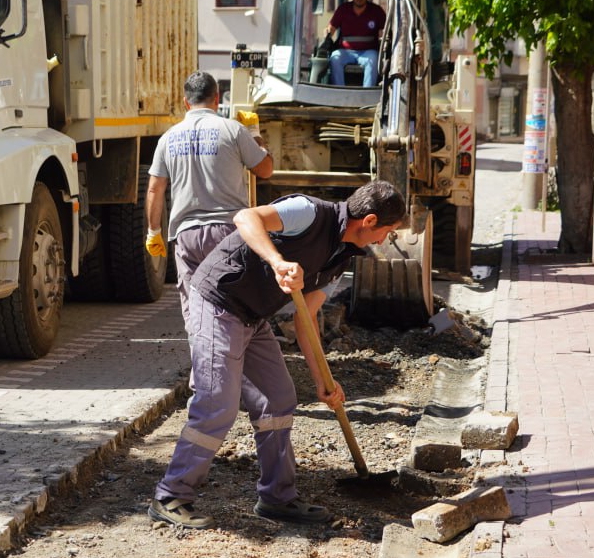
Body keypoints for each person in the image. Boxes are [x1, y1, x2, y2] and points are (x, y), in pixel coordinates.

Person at [149, 181, 407, 529]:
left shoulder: (342, 256)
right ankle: (171, 496)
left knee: (279, 399)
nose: (383, 242)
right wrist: (277, 261)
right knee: (216, 404)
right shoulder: (309, 212)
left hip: (253, 317)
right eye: (387, 233)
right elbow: (246, 217)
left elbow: (307, 319)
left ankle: (277, 498)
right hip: (218, 302)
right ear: (370, 220)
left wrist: (323, 382)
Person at [145, 71, 274, 322]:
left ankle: (201, 359)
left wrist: (153, 232)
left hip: (186, 236)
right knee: (230, 303)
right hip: (228, 232)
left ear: (186, 102)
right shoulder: (233, 130)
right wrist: (255, 133)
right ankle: (228, 357)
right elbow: (265, 169)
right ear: (216, 99)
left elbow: (154, 189)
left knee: (195, 307)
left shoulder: (168, 138)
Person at [324, 0, 385, 87]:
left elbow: (384, 31)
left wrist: (383, 34)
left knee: (374, 59)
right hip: (346, 52)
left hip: (368, 52)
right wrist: (327, 33)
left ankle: (366, 94)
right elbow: (331, 28)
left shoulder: (376, 11)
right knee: (334, 58)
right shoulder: (343, 9)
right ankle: (340, 92)